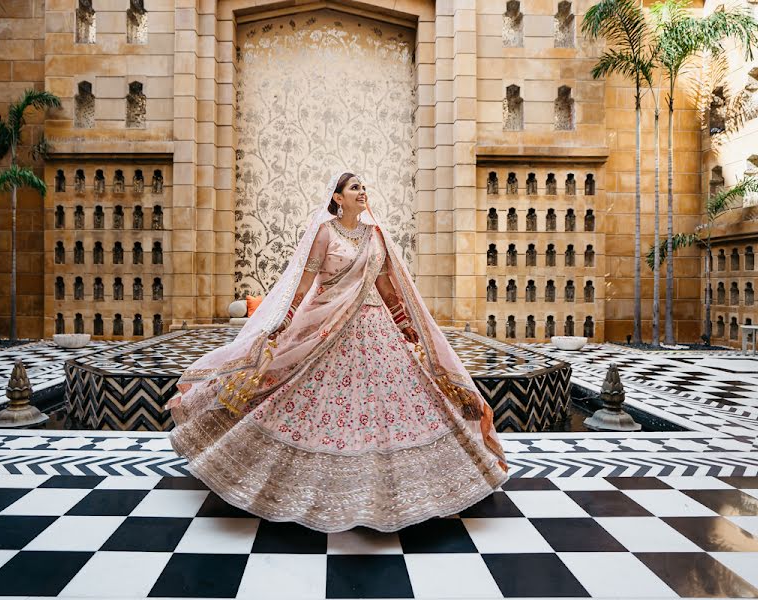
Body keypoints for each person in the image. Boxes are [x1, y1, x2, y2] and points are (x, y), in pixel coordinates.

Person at [167, 171, 509, 533]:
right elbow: (304, 281)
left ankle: (403, 489)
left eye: (364, 186)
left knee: (391, 401)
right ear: (338, 198)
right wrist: (284, 318)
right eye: (355, 187)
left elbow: (385, 285)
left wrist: (405, 324)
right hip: (327, 324)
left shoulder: (375, 235)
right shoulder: (325, 232)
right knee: (303, 396)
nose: (363, 192)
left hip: (376, 329)